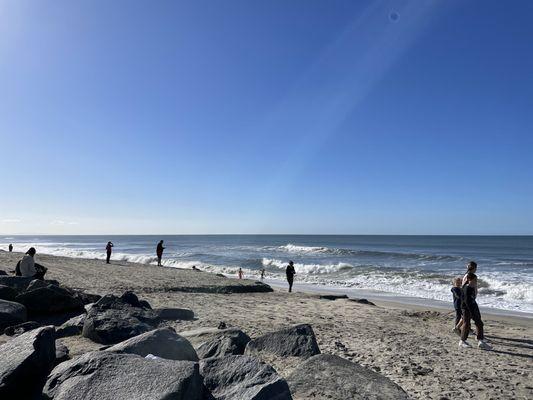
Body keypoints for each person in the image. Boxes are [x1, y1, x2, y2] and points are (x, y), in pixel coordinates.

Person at [459, 272, 491, 350]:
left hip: (473, 307)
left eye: (476, 281)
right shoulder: (466, 288)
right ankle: (462, 341)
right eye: (474, 281)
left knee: (479, 323)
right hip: (467, 309)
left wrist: (475, 309)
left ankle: (480, 341)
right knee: (467, 324)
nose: (475, 283)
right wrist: (472, 312)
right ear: (469, 280)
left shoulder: (471, 288)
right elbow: (466, 302)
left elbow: (472, 300)